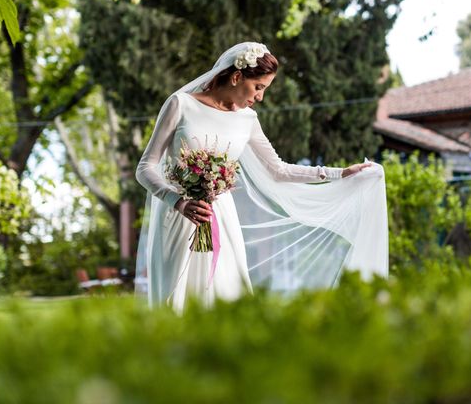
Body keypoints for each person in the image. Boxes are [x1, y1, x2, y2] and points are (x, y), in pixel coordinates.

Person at [135, 42, 388, 313]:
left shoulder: (247, 119)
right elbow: (145, 167)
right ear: (236, 77)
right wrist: (178, 201)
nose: (260, 97)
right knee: (175, 301)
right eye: (259, 87)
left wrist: (339, 173)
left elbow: (277, 169)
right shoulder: (180, 104)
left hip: (219, 217)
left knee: (225, 296)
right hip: (178, 217)